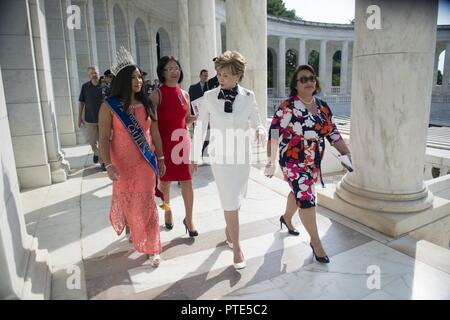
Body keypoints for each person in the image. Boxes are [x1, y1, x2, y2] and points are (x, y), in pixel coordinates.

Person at [265, 64, 351, 264]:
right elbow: (274, 133)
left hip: (313, 159)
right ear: (295, 85)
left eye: (311, 78)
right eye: (303, 79)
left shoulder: (322, 106)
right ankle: (316, 242)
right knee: (306, 197)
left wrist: (347, 154)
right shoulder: (288, 106)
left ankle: (286, 218)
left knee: (299, 192)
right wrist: (270, 161)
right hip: (293, 158)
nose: (308, 82)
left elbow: (332, 132)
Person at [190, 51, 266, 270]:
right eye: (219, 74)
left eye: (225, 75)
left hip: (242, 157)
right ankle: (237, 248)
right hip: (220, 157)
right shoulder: (209, 97)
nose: (220, 78)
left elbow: (257, 122)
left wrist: (260, 130)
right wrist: (194, 156)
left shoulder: (249, 96)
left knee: (237, 197)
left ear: (238, 76)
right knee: (229, 198)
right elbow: (201, 127)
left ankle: (229, 230)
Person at [98, 49, 165, 267]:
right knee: (128, 200)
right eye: (133, 77)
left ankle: (152, 246)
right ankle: (132, 230)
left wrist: (161, 158)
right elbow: (103, 138)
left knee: (147, 203)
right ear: (123, 81)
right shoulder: (109, 107)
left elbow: (155, 133)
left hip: (144, 163)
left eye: (140, 77)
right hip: (121, 163)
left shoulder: (147, 103)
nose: (138, 80)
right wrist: (108, 164)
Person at [149, 56, 198, 236]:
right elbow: (151, 125)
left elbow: (185, 120)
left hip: (182, 143)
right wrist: (157, 151)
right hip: (164, 144)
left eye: (176, 68)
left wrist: (196, 117)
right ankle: (167, 211)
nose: (174, 71)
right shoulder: (156, 95)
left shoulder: (185, 94)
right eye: (169, 68)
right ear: (162, 72)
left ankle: (189, 219)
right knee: (165, 183)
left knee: (187, 181)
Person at [78, 66, 105, 170]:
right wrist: (79, 118)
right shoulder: (85, 87)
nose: (94, 75)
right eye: (91, 73)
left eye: (95, 73)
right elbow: (81, 103)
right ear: (89, 75)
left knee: (102, 142)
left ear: (98, 73)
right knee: (92, 143)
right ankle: (97, 154)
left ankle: (103, 162)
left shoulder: (104, 87)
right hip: (89, 120)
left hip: (103, 120)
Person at [189, 69, 210, 156]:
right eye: (204, 75)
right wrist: (191, 115)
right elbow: (190, 101)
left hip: (208, 115)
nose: (205, 77)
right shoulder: (193, 88)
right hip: (196, 115)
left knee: (208, 133)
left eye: (206, 76)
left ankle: (205, 151)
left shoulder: (210, 87)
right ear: (200, 76)